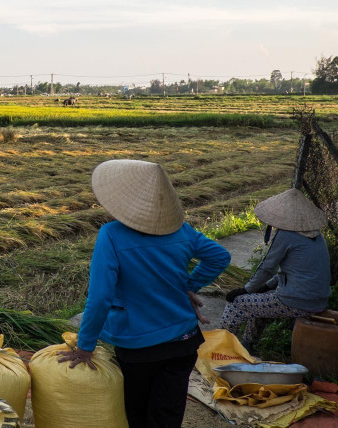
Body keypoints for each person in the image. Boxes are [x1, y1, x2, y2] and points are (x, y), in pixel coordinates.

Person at [59, 159, 230, 428]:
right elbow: (220, 257)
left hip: (137, 348)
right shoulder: (182, 231)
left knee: (137, 416)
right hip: (184, 342)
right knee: (167, 415)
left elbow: (100, 297)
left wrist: (85, 346)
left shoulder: (112, 234)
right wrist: (190, 285)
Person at [220, 188, 331, 350]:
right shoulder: (315, 235)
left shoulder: (287, 235)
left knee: (237, 303)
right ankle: (248, 346)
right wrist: (265, 287)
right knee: (259, 300)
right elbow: (296, 270)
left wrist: (246, 289)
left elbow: (267, 267)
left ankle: (220, 348)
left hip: (297, 301)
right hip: (318, 299)